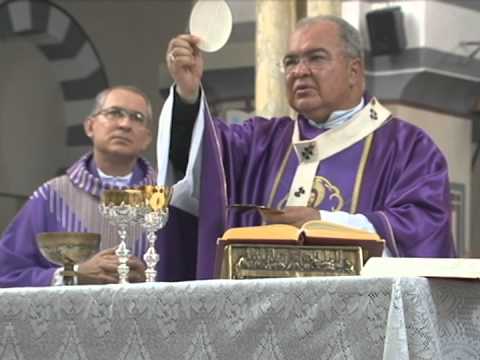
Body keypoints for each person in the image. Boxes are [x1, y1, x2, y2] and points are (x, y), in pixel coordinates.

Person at [157, 15, 456, 280]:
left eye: (315, 58)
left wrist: (323, 223)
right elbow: (200, 166)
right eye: (290, 61)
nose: (299, 71)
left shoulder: (409, 149)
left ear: (354, 70)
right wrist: (188, 95)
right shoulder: (259, 142)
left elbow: (422, 232)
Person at [0, 85, 197, 287]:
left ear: (147, 138)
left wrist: (149, 278)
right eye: (114, 113)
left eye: (137, 118)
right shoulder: (51, 197)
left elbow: (194, 273)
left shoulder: (165, 199)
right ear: (90, 126)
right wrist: (71, 275)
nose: (124, 124)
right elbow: (7, 274)